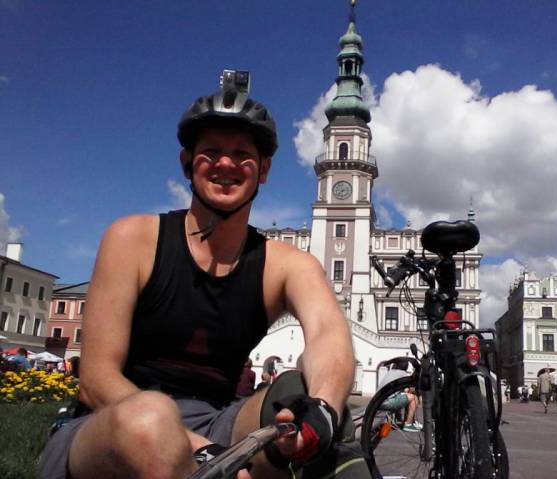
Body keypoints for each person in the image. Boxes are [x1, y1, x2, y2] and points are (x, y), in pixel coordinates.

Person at [38, 69, 359, 479]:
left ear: (263, 170)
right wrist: (206, 454)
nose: (226, 163)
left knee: (302, 399)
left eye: (242, 154)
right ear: (187, 163)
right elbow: (97, 380)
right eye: (211, 152)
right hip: (109, 423)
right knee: (150, 419)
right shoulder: (132, 239)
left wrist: (324, 410)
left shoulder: (288, 264)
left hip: (215, 422)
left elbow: (329, 334)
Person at [377, 358, 422, 432]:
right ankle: (408, 424)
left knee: (402, 396)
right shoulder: (403, 374)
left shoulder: (390, 372)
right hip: (386, 402)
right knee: (414, 398)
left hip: (378, 402)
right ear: (405, 367)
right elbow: (409, 389)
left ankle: (402, 420)